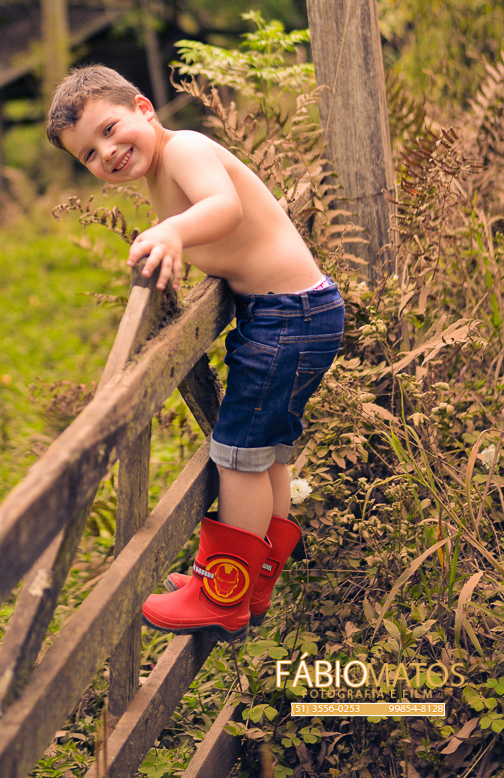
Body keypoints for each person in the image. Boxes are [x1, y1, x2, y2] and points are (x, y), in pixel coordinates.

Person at [47, 64, 344, 642]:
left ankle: (222, 594)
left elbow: (223, 207)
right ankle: (253, 581)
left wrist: (173, 234)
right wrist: (174, 237)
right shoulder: (159, 172)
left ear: (143, 109)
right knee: (269, 453)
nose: (106, 152)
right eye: (88, 154)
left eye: (110, 129)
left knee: (238, 453)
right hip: (290, 312)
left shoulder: (184, 149)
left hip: (288, 316)